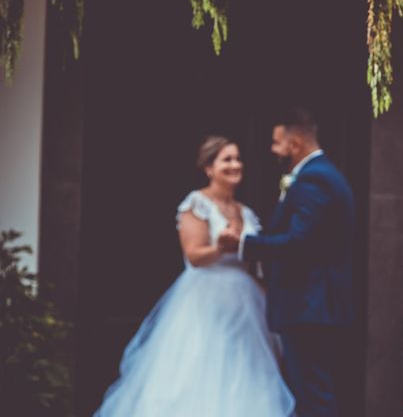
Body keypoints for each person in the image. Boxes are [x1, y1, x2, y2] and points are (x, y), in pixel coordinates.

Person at [93, 136, 295, 416]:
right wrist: (221, 247)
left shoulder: (245, 212)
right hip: (205, 298)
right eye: (227, 159)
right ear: (209, 167)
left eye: (237, 158)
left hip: (247, 305)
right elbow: (194, 255)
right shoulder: (197, 203)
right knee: (200, 366)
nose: (235, 165)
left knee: (246, 369)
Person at [219, 108, 355, 417]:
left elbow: (299, 243)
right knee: (307, 390)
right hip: (310, 304)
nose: (272, 149)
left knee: (313, 393)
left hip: (309, 304)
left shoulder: (315, 179)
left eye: (276, 142)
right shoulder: (317, 175)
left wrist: (244, 244)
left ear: (295, 143)